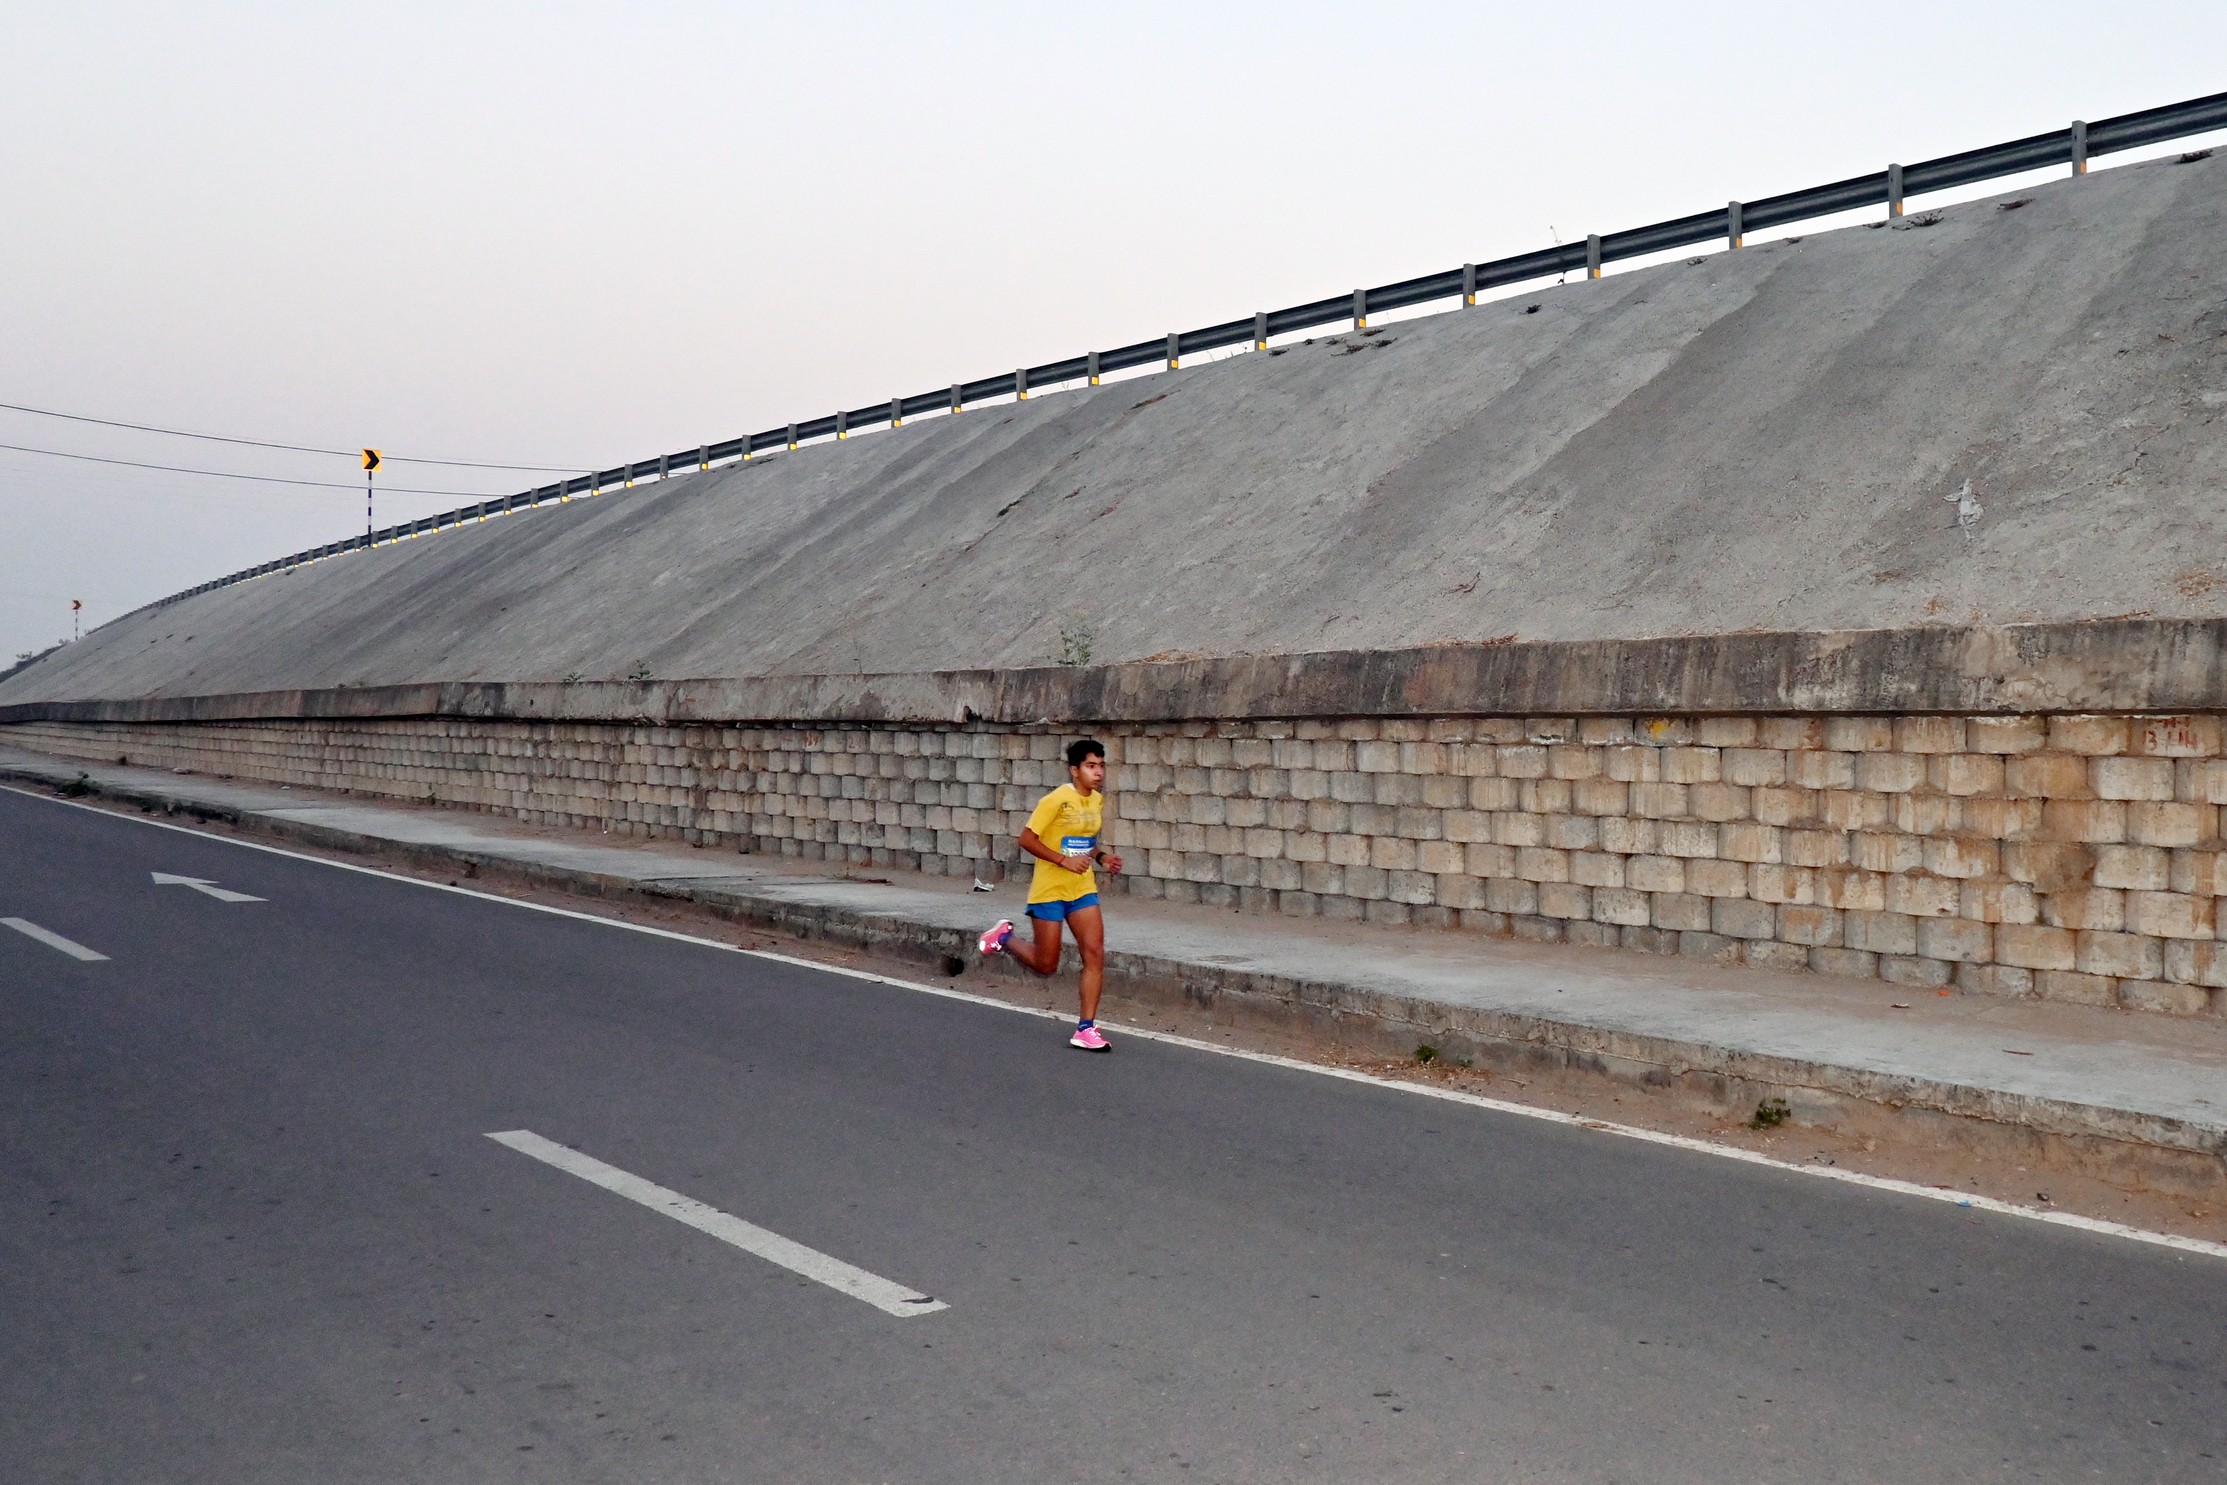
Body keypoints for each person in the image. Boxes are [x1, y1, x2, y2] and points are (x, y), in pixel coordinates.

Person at [979, 737, 1124, 1051]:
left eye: (1101, 766)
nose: (1098, 772)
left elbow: (1084, 840)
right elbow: (1026, 839)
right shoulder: (1056, 800)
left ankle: (1086, 1028)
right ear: (1074, 770)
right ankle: (1004, 937)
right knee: (1046, 965)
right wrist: (1062, 861)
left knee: (1095, 954)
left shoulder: (1096, 801)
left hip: (1082, 889)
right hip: (1050, 890)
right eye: (1090, 766)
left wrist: (1102, 858)